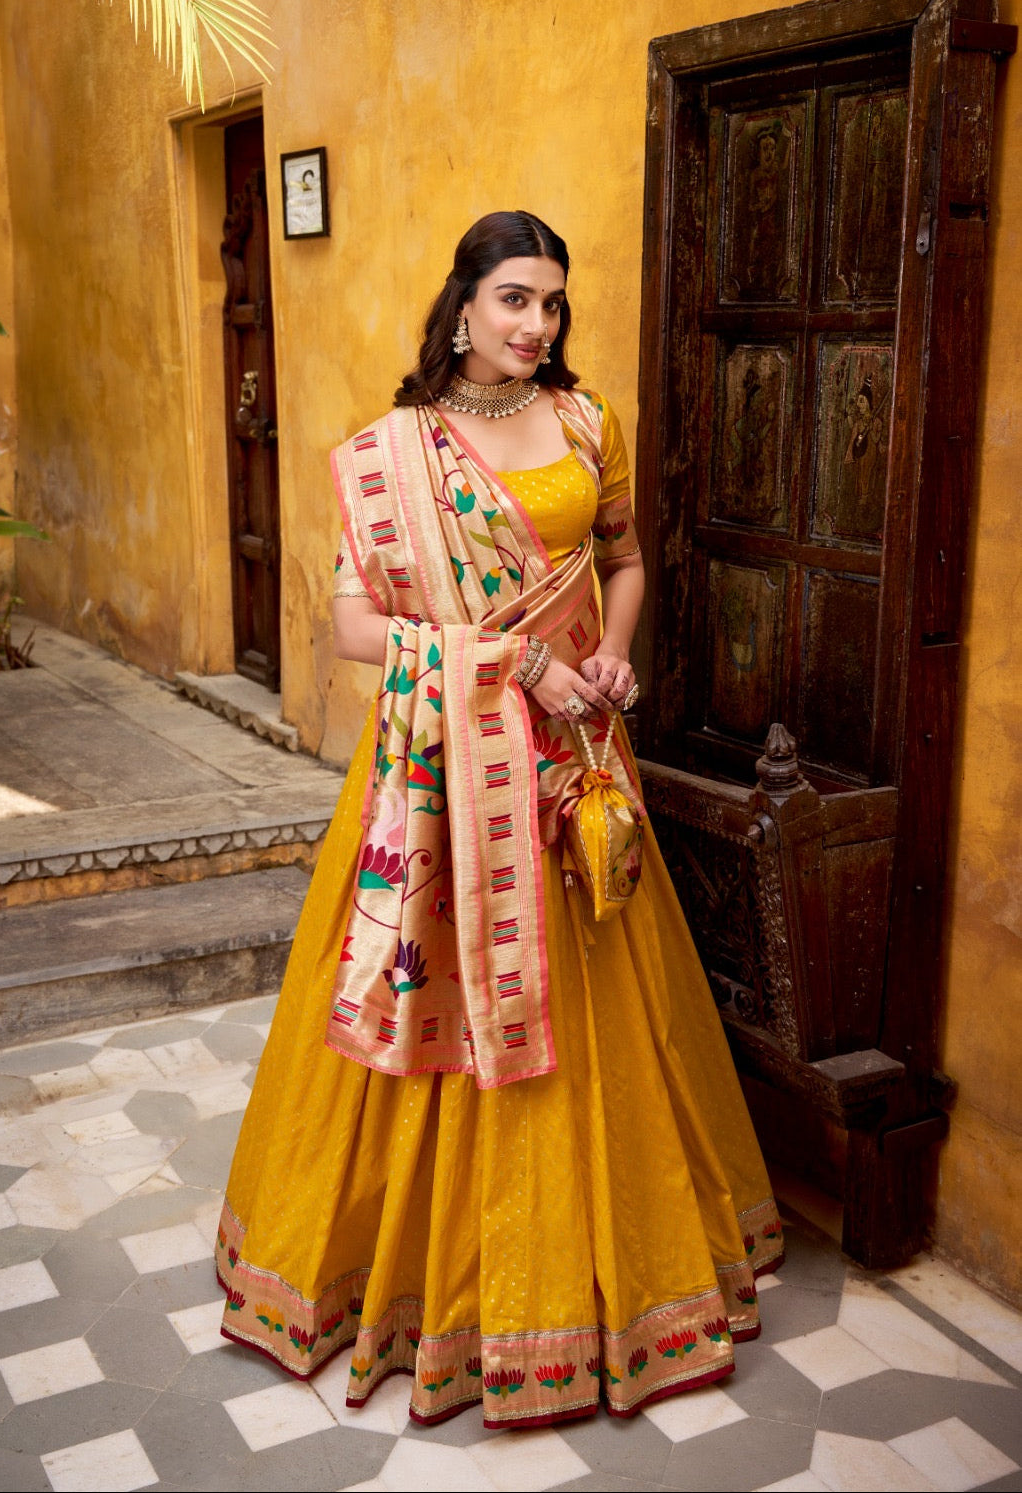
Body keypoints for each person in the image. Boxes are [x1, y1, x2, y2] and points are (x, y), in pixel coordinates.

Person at [215, 210, 782, 1429]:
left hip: (577, 758)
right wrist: (512, 662)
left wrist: (613, 657)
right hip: (446, 775)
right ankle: (423, 1282)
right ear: (463, 302)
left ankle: (597, 1270)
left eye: (552, 302)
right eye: (515, 297)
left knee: (596, 1002)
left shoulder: (584, 421)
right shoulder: (394, 453)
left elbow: (624, 561)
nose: (536, 323)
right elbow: (353, 627)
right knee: (441, 988)